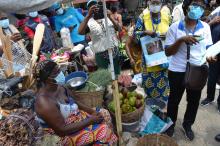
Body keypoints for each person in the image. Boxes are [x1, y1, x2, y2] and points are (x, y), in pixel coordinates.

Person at [34, 60, 117, 146]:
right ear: (48, 79)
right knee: (104, 131)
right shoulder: (44, 102)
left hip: (74, 118)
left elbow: (75, 102)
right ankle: (102, 139)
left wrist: (91, 112)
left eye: (59, 70)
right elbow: (61, 130)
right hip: (62, 135)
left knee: (104, 114)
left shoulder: (59, 86)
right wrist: (90, 120)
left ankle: (102, 141)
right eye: (57, 72)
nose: (61, 74)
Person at [164, 0, 213, 140]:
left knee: (193, 101)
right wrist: (180, 40)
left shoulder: (205, 27)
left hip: (198, 70)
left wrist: (210, 57)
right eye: (195, 5)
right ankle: (171, 125)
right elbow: (168, 52)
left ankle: (187, 125)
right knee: (174, 100)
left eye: (201, 6)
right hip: (177, 70)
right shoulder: (174, 27)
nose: (198, 8)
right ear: (186, 6)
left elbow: (208, 49)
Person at [134, 0, 171, 102]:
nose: (155, 5)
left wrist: (167, 36)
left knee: (164, 87)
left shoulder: (167, 16)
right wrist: (145, 32)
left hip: (164, 58)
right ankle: (150, 111)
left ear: (161, 3)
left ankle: (163, 109)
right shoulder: (143, 17)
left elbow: (173, 32)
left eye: (157, 2)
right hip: (149, 60)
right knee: (148, 88)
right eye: (153, 2)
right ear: (148, 3)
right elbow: (135, 36)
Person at [78, 0, 121, 75]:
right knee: (105, 77)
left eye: (96, 6)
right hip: (101, 55)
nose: (96, 9)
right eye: (92, 8)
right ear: (89, 10)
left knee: (117, 74)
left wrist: (110, 17)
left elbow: (119, 28)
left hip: (114, 52)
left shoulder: (108, 17)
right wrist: (88, 16)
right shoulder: (89, 22)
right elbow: (80, 32)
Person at [200, 7, 220, 112]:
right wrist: (212, 22)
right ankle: (209, 97)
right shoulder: (216, 13)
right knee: (212, 76)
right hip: (214, 52)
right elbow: (203, 28)